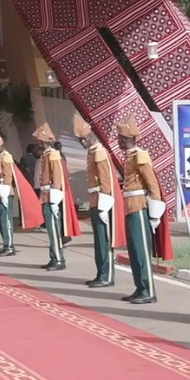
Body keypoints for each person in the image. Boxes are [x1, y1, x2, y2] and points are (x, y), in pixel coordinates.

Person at [116, 117, 165, 304]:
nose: (119, 141)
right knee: (134, 250)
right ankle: (140, 287)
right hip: (130, 205)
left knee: (142, 250)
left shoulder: (140, 156)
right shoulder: (129, 156)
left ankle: (149, 290)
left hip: (139, 205)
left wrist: (155, 213)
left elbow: (152, 183)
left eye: (120, 138)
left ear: (127, 138)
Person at [76, 114, 123, 288]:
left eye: (83, 138)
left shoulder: (100, 152)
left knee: (104, 239)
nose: (82, 142)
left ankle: (107, 275)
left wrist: (104, 204)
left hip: (102, 200)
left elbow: (105, 180)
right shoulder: (92, 152)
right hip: (95, 199)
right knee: (99, 240)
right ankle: (100, 272)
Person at [0, 130, 42, 257]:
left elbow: (7, 177)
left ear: (2, 146)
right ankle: (6, 244)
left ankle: (9, 246)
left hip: (4, 193)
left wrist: (2, 188)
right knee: (1, 221)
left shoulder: (5, 157)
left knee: (6, 221)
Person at [32, 124, 78, 271]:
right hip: (47, 195)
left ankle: (59, 259)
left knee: (54, 230)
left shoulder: (52, 155)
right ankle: (54, 257)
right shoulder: (47, 155)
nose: (37, 144)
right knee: (51, 231)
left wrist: (54, 198)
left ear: (42, 141)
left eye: (38, 141)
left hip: (51, 196)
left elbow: (57, 177)